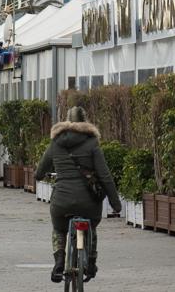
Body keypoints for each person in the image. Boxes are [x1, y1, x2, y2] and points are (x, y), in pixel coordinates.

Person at [35, 106, 121, 283]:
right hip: (88, 202)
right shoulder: (92, 143)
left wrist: (44, 173)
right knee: (91, 225)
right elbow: (104, 175)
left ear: (67, 122)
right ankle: (91, 261)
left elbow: (39, 172)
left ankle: (59, 260)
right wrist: (115, 202)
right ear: (85, 121)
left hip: (61, 202)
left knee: (59, 229)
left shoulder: (55, 143)